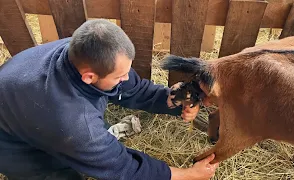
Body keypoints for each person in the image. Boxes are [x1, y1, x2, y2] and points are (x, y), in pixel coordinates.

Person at [0, 19, 219, 180]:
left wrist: (172, 101)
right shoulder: (75, 123)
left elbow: (131, 89)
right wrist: (187, 175)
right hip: (10, 142)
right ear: (89, 76)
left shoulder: (83, 50)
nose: (126, 78)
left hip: (23, 103)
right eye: (119, 76)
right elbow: (124, 169)